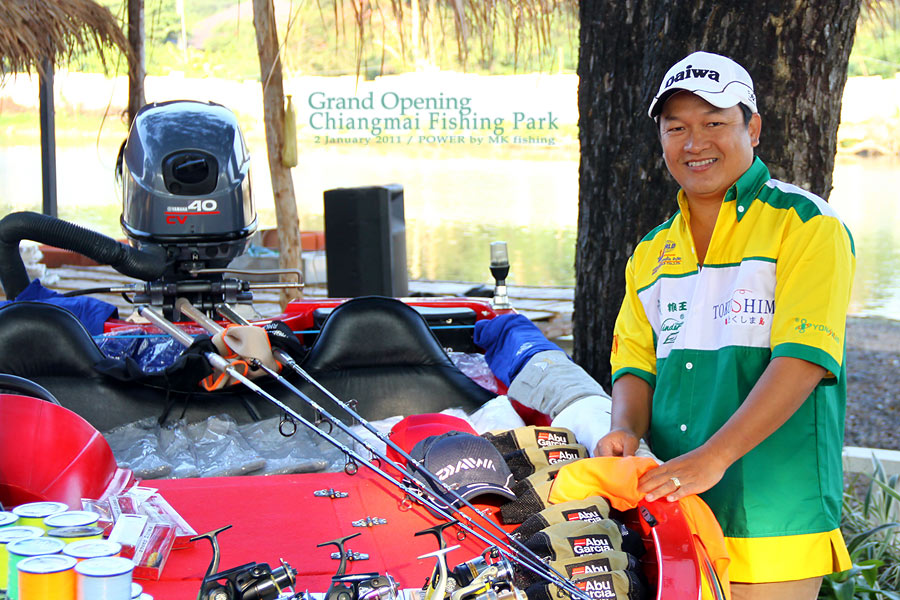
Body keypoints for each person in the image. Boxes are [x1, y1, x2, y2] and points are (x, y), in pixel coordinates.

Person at [595, 51, 855, 599]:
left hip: (770, 510)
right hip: (670, 506)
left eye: (714, 123)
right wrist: (625, 428)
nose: (695, 143)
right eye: (677, 128)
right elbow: (635, 360)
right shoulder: (649, 251)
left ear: (752, 128)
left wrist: (713, 458)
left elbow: (804, 360)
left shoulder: (808, 224)